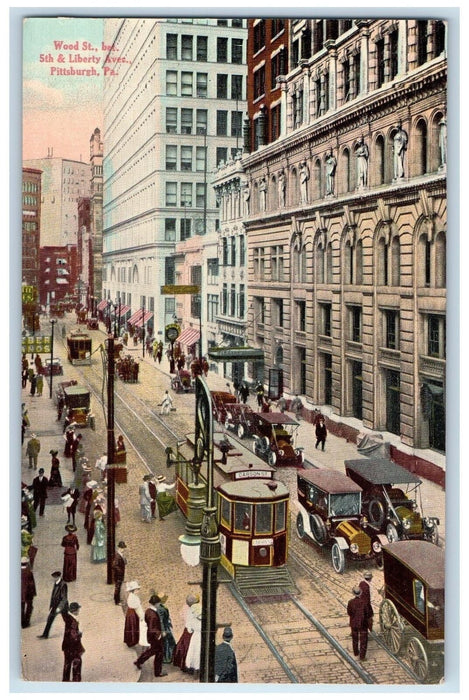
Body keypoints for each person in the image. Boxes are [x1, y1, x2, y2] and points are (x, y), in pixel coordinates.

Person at [134, 594, 167, 677]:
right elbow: (153, 628)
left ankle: (139, 661)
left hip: (150, 636)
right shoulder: (153, 615)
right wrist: (160, 634)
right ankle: (158, 672)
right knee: (159, 654)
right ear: (156, 603)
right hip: (155, 637)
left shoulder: (148, 611)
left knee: (152, 651)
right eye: (158, 603)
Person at [37, 570, 68, 639]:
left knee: (67, 620)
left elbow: (64, 598)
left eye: (54, 577)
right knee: (50, 619)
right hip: (55, 605)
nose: (53, 579)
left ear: (58, 577)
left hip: (62, 606)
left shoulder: (63, 584)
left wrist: (59, 607)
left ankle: (74, 631)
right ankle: (45, 635)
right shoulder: (56, 583)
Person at [173, 594, 199, 673]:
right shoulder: (194, 610)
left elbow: (181, 615)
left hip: (187, 629)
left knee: (184, 645)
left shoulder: (185, 608)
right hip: (192, 630)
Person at [62, 602, 85, 682]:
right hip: (73, 647)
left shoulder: (67, 617)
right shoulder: (74, 622)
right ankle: (76, 681)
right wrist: (79, 634)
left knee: (67, 663)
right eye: (78, 609)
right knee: (77, 663)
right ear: (74, 611)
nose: (79, 611)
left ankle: (65, 680)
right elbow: (74, 635)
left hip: (66, 645)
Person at [347, 586, 369, 661]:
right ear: (360, 593)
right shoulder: (364, 602)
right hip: (363, 623)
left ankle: (356, 652)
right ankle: (362, 656)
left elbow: (349, 612)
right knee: (363, 640)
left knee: (355, 638)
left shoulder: (350, 602)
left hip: (354, 622)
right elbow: (367, 613)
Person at [124, 581, 146, 648]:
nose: (137, 591)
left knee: (131, 627)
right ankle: (131, 641)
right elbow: (137, 608)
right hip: (133, 614)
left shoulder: (133, 596)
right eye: (136, 590)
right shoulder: (132, 597)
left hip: (131, 613)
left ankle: (131, 640)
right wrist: (142, 616)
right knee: (132, 627)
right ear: (133, 590)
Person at [155, 592, 176, 664]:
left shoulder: (161, 606)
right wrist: (163, 630)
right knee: (167, 642)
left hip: (166, 626)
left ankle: (169, 657)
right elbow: (161, 620)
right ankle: (167, 658)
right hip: (164, 627)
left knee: (169, 642)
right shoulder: (160, 608)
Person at [185, 601, 202, 675]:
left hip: (196, 636)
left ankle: (194, 669)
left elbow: (189, 630)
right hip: (203, 636)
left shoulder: (192, 617)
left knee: (194, 652)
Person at [21, 556, 36, 628]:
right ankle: (27, 622)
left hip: (20, 593)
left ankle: (22, 622)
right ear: (27, 563)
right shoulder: (29, 572)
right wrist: (34, 593)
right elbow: (32, 584)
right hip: (28, 593)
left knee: (21, 607)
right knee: (29, 606)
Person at [112, 541, 127, 605]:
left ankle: (117, 599)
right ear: (119, 548)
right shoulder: (117, 556)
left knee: (119, 587)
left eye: (123, 548)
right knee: (117, 587)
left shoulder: (121, 554)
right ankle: (117, 601)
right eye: (122, 548)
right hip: (118, 575)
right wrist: (120, 571)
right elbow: (114, 565)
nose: (123, 549)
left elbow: (124, 561)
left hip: (120, 574)